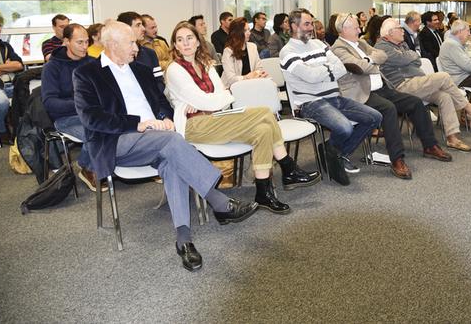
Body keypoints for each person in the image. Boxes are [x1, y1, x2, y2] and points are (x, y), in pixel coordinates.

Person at [73, 20, 259, 272]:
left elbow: (160, 102)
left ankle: (184, 240)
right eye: (130, 43)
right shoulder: (86, 73)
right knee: (173, 142)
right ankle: (219, 202)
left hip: (158, 141)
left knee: (173, 160)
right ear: (112, 45)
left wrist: (166, 118)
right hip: (117, 141)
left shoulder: (139, 69)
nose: (136, 48)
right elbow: (91, 119)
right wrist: (139, 124)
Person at [165, 21, 320, 214]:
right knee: (264, 112)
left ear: (198, 41)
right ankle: (288, 166)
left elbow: (221, 97)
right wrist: (211, 99)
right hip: (193, 126)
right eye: (180, 40)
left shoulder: (205, 64)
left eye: (189, 38)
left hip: (217, 119)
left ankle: (263, 193)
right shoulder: (174, 70)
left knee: (263, 130)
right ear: (175, 45)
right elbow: (214, 99)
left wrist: (209, 100)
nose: (185, 43)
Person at [331, 13, 452, 180]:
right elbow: (360, 68)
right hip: (362, 93)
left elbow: (382, 56)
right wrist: (371, 60)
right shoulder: (338, 48)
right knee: (389, 109)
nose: (360, 29)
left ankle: (430, 146)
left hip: (382, 87)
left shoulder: (361, 43)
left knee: (415, 103)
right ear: (344, 29)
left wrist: (369, 60)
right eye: (356, 27)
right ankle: (397, 159)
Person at [280, 8, 382, 186]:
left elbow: (341, 68)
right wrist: (328, 69)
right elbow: (310, 77)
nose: (311, 27)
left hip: (335, 97)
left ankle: (334, 152)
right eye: (306, 24)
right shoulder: (287, 52)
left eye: (311, 23)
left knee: (374, 117)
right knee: (344, 128)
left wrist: (322, 71)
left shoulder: (319, 45)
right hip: (311, 102)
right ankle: (333, 154)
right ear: (293, 26)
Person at [375, 17, 471, 152]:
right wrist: (410, 57)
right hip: (402, 86)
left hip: (416, 83)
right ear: (390, 33)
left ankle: (452, 138)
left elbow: (417, 59)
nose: (402, 31)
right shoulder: (382, 46)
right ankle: (470, 109)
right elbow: (403, 59)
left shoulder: (401, 44)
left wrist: (410, 57)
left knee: (445, 96)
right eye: (399, 28)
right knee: (444, 76)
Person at [41, 24, 99, 190]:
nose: (85, 47)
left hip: (92, 113)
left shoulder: (93, 63)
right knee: (96, 131)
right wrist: (82, 104)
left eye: (87, 42)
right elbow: (49, 102)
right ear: (66, 41)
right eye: (79, 42)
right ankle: (87, 167)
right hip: (66, 118)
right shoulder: (52, 67)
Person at [0, 15, 23, 144]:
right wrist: (8, 67)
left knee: (33, 95)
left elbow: (19, 65)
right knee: (2, 102)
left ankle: (23, 129)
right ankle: (3, 131)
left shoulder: (4, 46)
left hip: (12, 83)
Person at [117, 11, 165, 93]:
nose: (143, 29)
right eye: (138, 25)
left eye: (142, 24)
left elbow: (159, 81)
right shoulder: (118, 56)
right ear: (126, 29)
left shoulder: (150, 53)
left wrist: (152, 97)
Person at [221, 17, 268, 89]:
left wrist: (259, 74)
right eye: (245, 30)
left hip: (250, 86)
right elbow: (231, 79)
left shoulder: (252, 47)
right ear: (237, 33)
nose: (249, 33)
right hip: (232, 89)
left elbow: (259, 67)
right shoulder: (228, 51)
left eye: (249, 29)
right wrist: (247, 77)